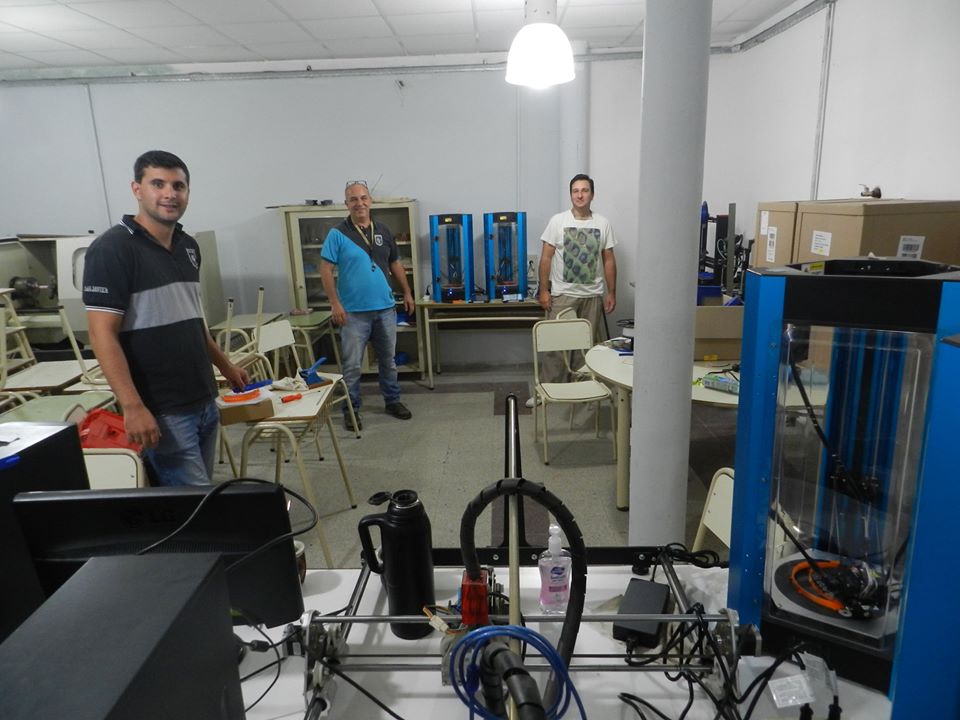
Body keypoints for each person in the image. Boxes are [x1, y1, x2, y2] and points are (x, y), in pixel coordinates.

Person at [82, 150, 249, 486]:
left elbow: (191, 319)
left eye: (178, 186)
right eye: (158, 184)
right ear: (137, 189)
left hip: (202, 397)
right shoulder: (112, 249)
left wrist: (225, 366)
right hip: (162, 407)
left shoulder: (188, 246)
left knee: (195, 499)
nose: (170, 194)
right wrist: (132, 406)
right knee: (192, 502)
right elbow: (102, 335)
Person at [320, 181, 415, 431]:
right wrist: (335, 303)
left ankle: (392, 401)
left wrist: (407, 292)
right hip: (352, 313)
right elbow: (326, 270)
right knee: (352, 366)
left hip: (385, 309)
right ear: (347, 204)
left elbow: (395, 263)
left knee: (388, 361)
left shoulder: (382, 230)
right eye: (353, 199)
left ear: (370, 201)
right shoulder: (337, 234)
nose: (359, 203)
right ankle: (351, 409)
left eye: (363, 198)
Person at [529, 173, 618, 406]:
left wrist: (612, 292)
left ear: (592, 194)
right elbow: (546, 258)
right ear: (570, 195)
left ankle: (582, 390)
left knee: (586, 347)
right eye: (575, 191)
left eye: (584, 190)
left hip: (592, 296)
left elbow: (608, 260)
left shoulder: (602, 223)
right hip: (563, 295)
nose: (580, 195)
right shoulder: (558, 221)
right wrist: (544, 290)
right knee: (555, 346)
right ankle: (546, 390)